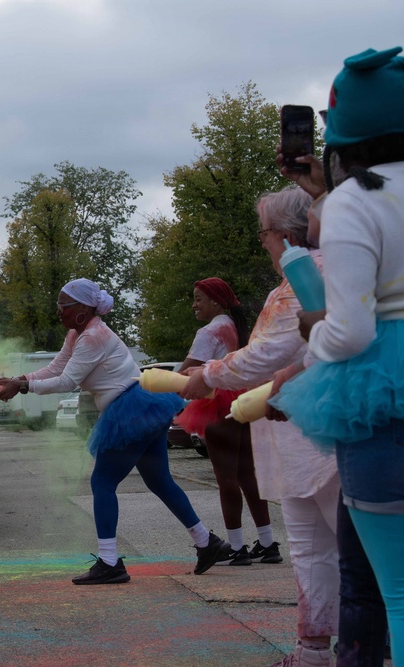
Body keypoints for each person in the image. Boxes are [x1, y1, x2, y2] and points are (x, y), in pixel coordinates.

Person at [271, 46, 404, 667]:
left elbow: (350, 333)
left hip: (383, 395)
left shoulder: (357, 202)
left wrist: (313, 329)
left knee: (394, 593)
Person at [180, 187, 340, 667]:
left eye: (264, 235)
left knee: (353, 551)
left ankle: (365, 646)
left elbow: (270, 354)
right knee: (311, 548)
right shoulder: (289, 283)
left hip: (322, 438)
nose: (263, 244)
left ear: (285, 234)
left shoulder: (311, 276)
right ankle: (312, 651)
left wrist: (206, 376)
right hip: (294, 440)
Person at [0, 278, 229, 585]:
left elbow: (67, 382)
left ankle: (110, 562)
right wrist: (20, 377)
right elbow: (56, 369)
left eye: (63, 306)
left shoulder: (93, 336)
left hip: (130, 410)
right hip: (142, 407)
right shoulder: (77, 334)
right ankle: (205, 541)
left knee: (103, 481)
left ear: (82, 309)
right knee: (159, 480)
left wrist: (23, 386)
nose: (58, 312)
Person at [173, 278, 279, 566]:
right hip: (244, 401)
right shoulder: (234, 327)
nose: (194, 304)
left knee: (226, 478)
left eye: (198, 298)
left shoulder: (209, 331)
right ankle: (268, 543)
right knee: (247, 474)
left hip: (217, 403)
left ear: (216, 301)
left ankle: (235, 546)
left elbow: (184, 373)